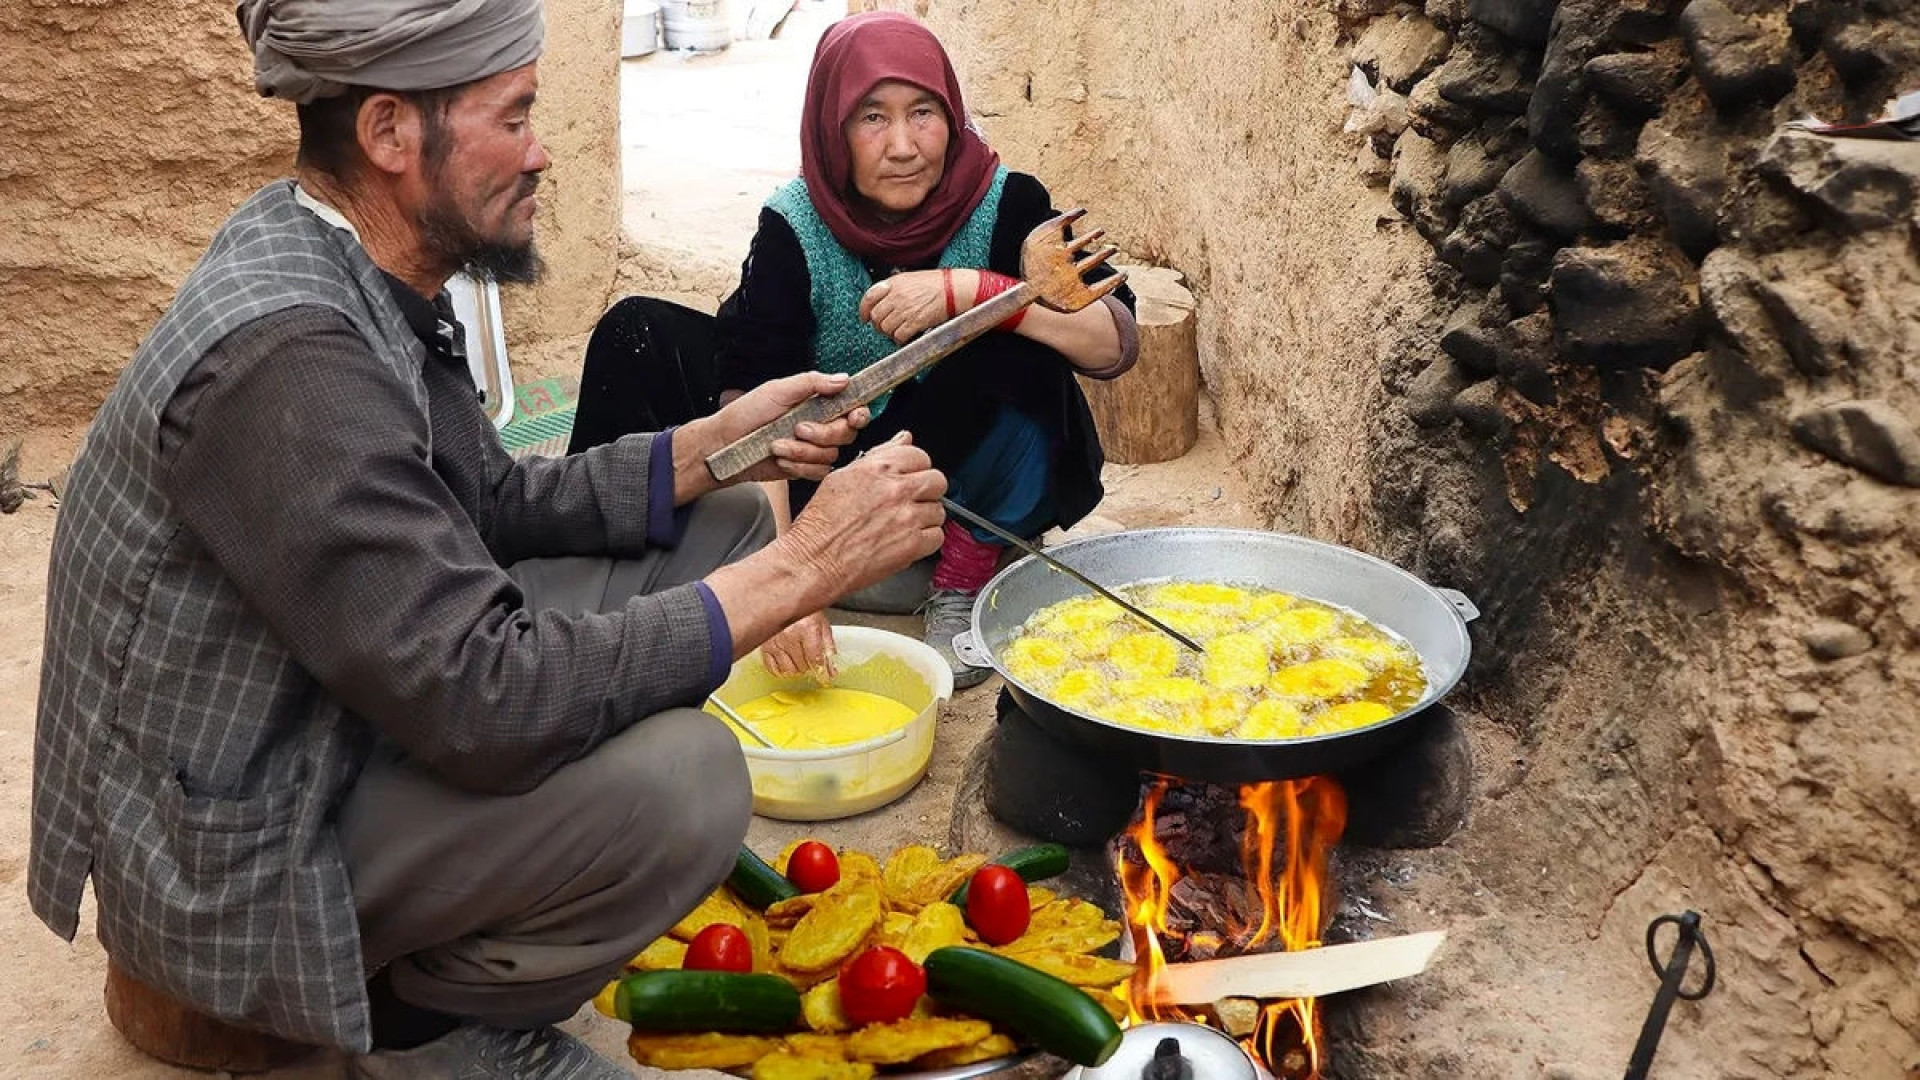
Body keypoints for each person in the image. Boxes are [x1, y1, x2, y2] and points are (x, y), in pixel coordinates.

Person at [27, 2, 945, 1077]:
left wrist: (710, 445)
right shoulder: (290, 364)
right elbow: (483, 697)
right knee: (688, 783)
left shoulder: (358, 261)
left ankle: (486, 910)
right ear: (388, 134)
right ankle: (424, 1027)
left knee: (731, 512)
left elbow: (490, 498)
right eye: (513, 119)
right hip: (239, 851)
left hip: (338, 727)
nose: (542, 151)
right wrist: (808, 568)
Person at [566, 11, 1138, 690]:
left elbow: (1113, 345)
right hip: (821, 468)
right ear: (833, 128)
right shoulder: (795, 221)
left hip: (953, 479)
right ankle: (602, 556)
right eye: (872, 117)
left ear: (951, 115)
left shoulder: (1006, 199)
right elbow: (757, 395)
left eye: (922, 112)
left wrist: (975, 294)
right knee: (640, 331)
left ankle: (961, 573)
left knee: (1019, 336)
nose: (902, 145)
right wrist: (783, 586)